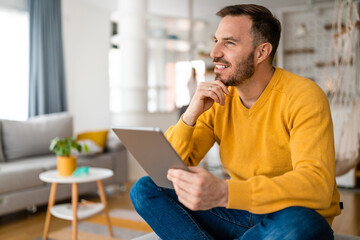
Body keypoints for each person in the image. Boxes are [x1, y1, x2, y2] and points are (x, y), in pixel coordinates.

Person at [130, 4, 341, 240]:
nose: (214, 52)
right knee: (145, 189)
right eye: (216, 40)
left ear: (261, 53)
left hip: (289, 215)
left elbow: (317, 186)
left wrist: (225, 192)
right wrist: (189, 116)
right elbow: (168, 173)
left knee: (301, 224)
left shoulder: (303, 95)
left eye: (229, 43)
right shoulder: (219, 99)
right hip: (240, 214)